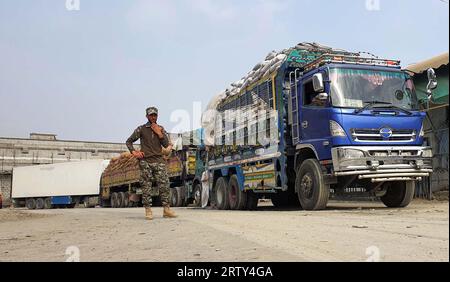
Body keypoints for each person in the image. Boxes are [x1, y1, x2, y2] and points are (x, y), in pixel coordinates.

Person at [126, 107, 176, 220]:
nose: (153, 117)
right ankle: (148, 210)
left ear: (157, 116)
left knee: (164, 185)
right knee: (146, 186)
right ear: (147, 116)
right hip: (146, 161)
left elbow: (166, 144)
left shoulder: (161, 128)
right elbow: (129, 141)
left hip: (159, 160)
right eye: (151, 115)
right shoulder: (141, 129)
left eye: (155, 115)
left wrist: (159, 133)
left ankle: (166, 210)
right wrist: (134, 152)